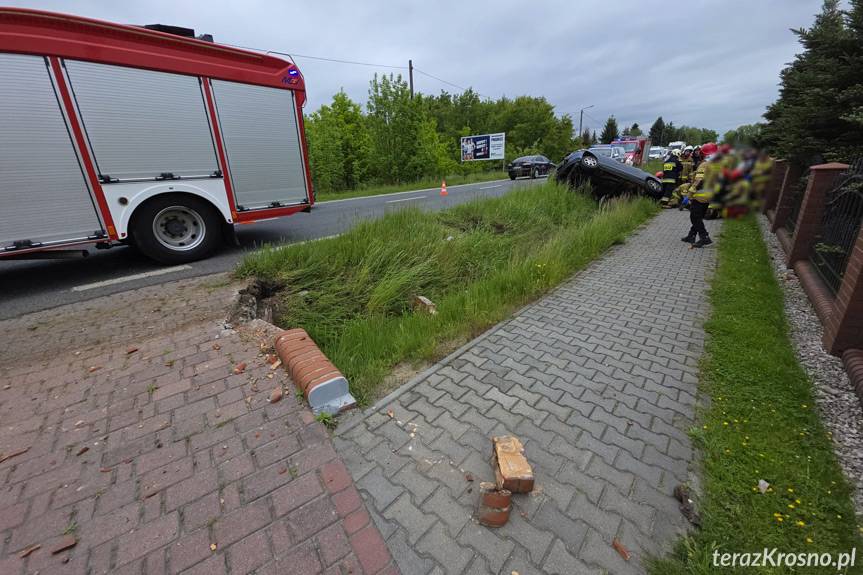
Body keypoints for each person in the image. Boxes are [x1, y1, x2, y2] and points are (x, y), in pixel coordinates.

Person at [682, 142, 719, 247]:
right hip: (710, 194)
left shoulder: (704, 165)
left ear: (705, 154)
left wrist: (688, 195)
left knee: (694, 217)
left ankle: (704, 237)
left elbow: (698, 181)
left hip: (700, 196)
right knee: (698, 216)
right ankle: (691, 235)